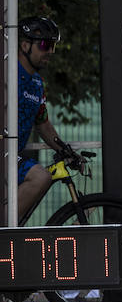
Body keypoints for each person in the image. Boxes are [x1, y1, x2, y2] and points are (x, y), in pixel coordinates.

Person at [11, 16, 79, 219]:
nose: (50, 51)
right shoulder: (7, 72)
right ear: (25, 45)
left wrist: (65, 150)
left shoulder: (37, 83)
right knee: (40, 176)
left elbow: (43, 124)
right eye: (44, 45)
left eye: (53, 46)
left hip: (12, 156)